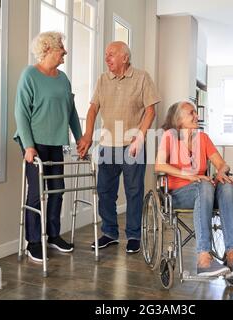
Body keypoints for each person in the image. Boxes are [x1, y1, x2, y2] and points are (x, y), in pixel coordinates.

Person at [77, 41, 161, 254]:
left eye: (111, 54)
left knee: (134, 191)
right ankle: (109, 233)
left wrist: (139, 138)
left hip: (133, 145)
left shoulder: (142, 77)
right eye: (106, 54)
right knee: (105, 191)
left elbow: (151, 110)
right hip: (107, 145)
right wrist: (87, 135)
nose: (107, 58)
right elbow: (93, 109)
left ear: (125, 57)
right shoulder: (103, 80)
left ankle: (133, 235)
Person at [155, 101, 233, 277]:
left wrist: (221, 171)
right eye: (191, 113)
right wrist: (191, 176)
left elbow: (222, 163)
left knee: (227, 185)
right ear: (179, 119)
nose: (196, 116)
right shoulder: (169, 136)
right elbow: (159, 166)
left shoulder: (203, 139)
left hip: (204, 191)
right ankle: (204, 259)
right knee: (204, 184)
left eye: (196, 113)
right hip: (179, 194)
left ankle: (231, 256)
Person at [14, 32, 83, 262]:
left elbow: (71, 112)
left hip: (57, 142)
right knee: (36, 192)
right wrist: (28, 146)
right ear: (48, 49)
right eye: (61, 47)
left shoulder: (63, 78)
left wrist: (80, 138)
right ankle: (33, 241)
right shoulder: (30, 75)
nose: (65, 51)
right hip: (35, 144)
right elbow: (21, 113)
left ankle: (52, 235)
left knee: (57, 189)